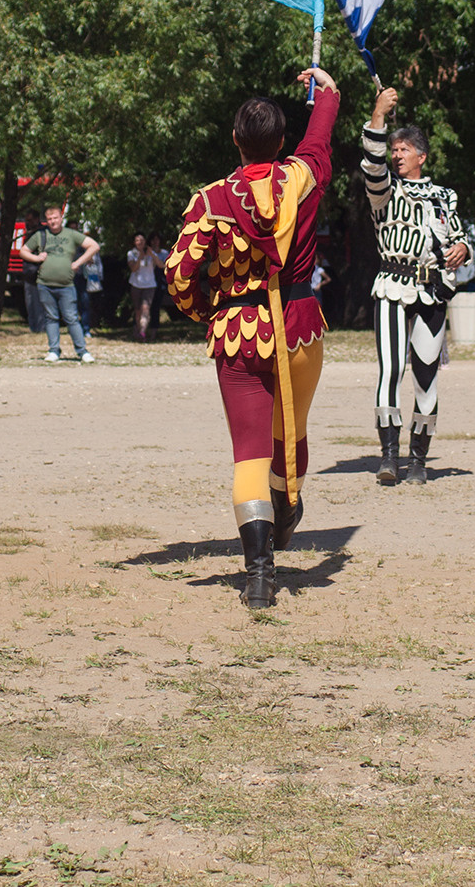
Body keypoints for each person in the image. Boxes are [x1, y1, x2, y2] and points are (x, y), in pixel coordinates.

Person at [164, 69, 342, 608]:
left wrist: (209, 311)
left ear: (235, 139)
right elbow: (321, 139)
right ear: (281, 142)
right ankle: (287, 506)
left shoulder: (212, 199)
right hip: (301, 326)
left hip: (239, 333)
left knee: (248, 455)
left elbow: (178, 275)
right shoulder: (302, 179)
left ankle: (260, 575)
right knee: (292, 434)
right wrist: (327, 94)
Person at [361, 86, 471, 484]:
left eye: (403, 149)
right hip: (392, 285)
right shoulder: (385, 191)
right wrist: (378, 114)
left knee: (426, 377)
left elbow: (457, 236)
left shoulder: (445, 195)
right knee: (390, 372)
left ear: (421, 156)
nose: (396, 155)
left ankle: (419, 462)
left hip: (433, 292)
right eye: (394, 149)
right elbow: (372, 163)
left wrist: (462, 248)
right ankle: (389, 457)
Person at [22, 204, 101, 364]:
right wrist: (37, 258)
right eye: (49, 219)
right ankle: (53, 350)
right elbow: (24, 251)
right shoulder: (41, 235)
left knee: (71, 317)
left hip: (66, 285)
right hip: (44, 284)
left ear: (61, 218)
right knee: (51, 318)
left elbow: (94, 246)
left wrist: (78, 262)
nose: (52, 222)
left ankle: (82, 351)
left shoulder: (71, 234)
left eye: (55, 218)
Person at [123, 230, 164, 342]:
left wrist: (151, 254)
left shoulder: (151, 252)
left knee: (146, 308)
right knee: (137, 310)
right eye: (137, 240)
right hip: (136, 284)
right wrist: (140, 257)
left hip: (150, 285)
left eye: (142, 240)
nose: (140, 242)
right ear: (134, 242)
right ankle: (138, 330)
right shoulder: (131, 253)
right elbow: (133, 268)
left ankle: (142, 332)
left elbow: (161, 265)